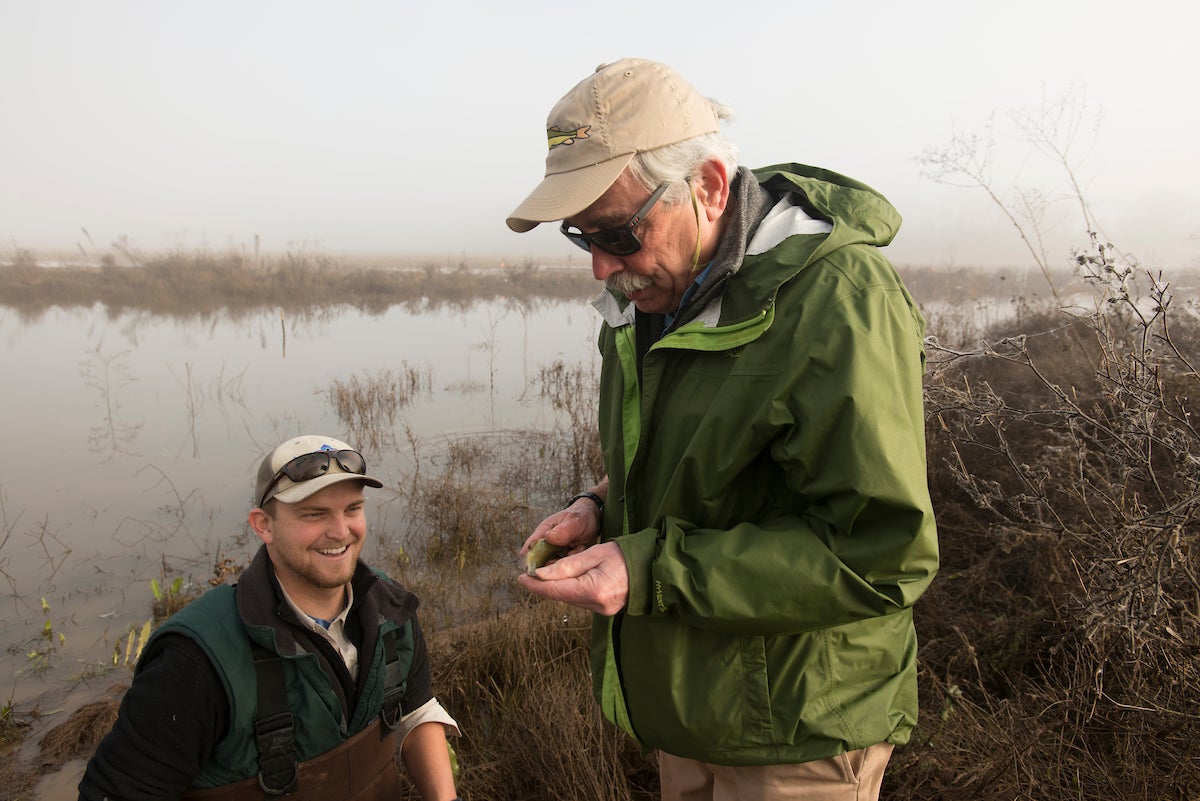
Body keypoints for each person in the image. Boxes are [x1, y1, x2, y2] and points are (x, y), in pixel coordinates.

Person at [510, 58, 938, 801]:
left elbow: (880, 553)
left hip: (800, 730)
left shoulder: (838, 301)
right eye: (582, 239)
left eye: (617, 232)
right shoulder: (650, 295)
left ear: (707, 186)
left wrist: (648, 569)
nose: (602, 267)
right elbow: (706, 450)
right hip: (693, 708)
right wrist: (601, 503)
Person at [79, 435, 460, 801]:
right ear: (263, 525)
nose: (341, 531)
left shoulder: (391, 609)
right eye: (315, 514)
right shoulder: (194, 660)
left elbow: (415, 709)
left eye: (352, 509)